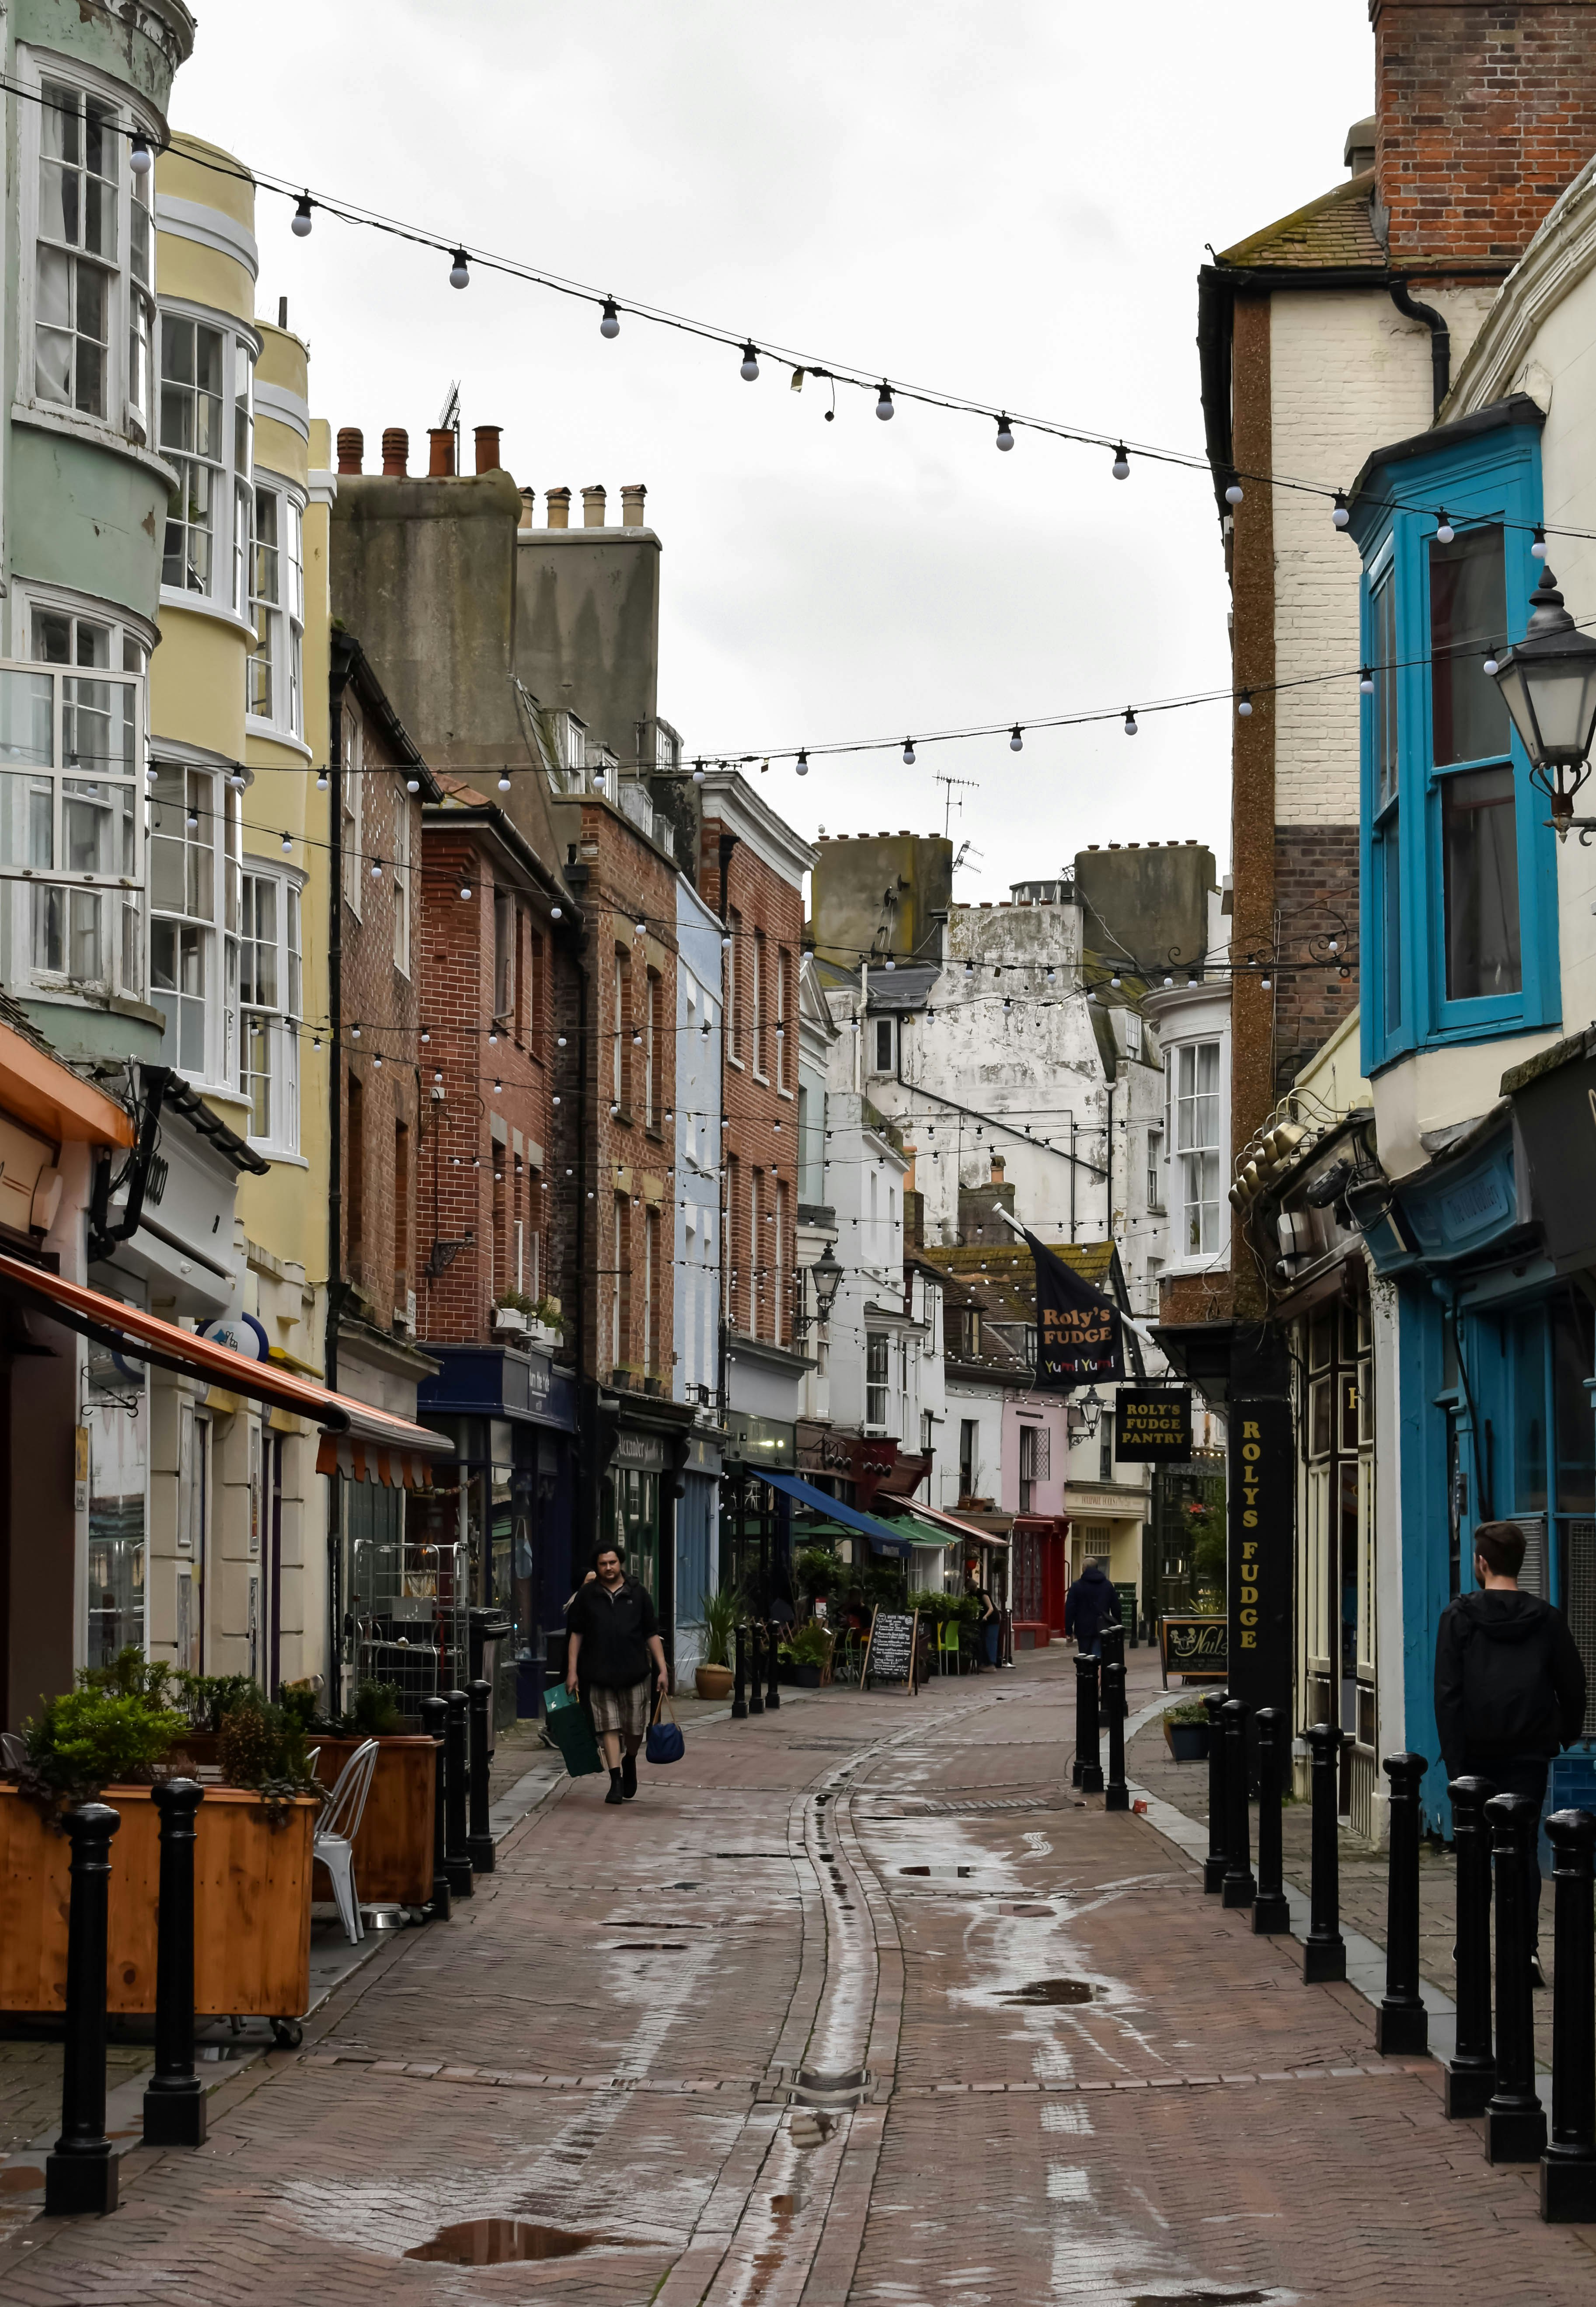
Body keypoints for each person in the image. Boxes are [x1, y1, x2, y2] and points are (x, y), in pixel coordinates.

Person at [1434, 1519, 1587, 1976]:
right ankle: (1524, 1949)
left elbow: (1447, 1694)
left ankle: (1470, 1949)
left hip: (1474, 1756)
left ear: (1479, 1562)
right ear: (1519, 1562)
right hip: (1526, 1754)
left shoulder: (1457, 1617)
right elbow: (1573, 1686)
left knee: (1473, 1851)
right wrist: (1562, 1735)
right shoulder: (1545, 1618)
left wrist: (1455, 1764)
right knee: (1519, 1851)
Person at [566, 1545, 669, 1805]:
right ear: (597, 1567)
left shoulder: (639, 1594)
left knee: (634, 1728)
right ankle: (615, 1780)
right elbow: (576, 1634)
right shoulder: (587, 1595)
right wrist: (572, 1671)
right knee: (607, 1726)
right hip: (598, 1673)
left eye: (613, 1562)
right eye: (603, 1564)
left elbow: (651, 1634)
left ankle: (630, 1759)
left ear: (621, 1563)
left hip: (634, 1672)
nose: (609, 1568)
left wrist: (663, 1669)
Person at [1064, 1556, 1122, 1658]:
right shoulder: (1107, 1585)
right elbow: (1116, 1607)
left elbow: (1070, 1609)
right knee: (1099, 1657)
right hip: (1102, 1627)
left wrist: (1069, 1631)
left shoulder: (1077, 1586)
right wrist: (1118, 1626)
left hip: (1083, 1629)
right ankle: (1097, 1673)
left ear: (1084, 1569)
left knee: (1084, 1659)